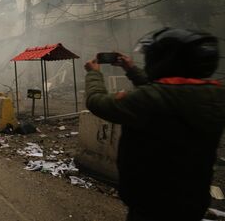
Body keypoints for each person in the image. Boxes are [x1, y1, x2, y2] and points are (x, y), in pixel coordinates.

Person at [84, 28, 225, 221]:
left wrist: (93, 74)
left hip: (151, 204)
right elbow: (165, 90)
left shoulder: (149, 99)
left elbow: (97, 102)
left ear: (164, 60)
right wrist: (131, 69)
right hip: (194, 202)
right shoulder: (215, 95)